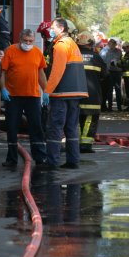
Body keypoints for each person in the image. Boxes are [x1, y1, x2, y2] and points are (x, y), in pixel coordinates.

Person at [0, 29, 49, 167]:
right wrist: (3, 88)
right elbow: (3, 72)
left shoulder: (37, 53)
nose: (28, 43)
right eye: (25, 41)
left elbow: (41, 73)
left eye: (30, 41)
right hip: (13, 96)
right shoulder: (10, 51)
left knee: (36, 126)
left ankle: (40, 157)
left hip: (32, 96)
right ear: (20, 39)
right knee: (12, 127)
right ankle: (12, 158)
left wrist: (46, 91)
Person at [44, 18, 88, 169]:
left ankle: (52, 162)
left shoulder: (61, 46)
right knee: (71, 127)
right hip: (75, 93)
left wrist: (47, 91)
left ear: (61, 28)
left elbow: (57, 71)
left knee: (55, 127)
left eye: (52, 27)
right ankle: (73, 160)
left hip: (61, 93)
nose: (50, 30)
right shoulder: (72, 44)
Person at [76, 31, 107, 153]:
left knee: (76, 119)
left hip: (75, 95)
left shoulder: (72, 55)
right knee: (90, 119)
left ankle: (75, 143)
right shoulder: (97, 57)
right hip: (92, 95)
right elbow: (105, 75)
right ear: (91, 43)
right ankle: (86, 145)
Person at [100, 38, 123, 111]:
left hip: (117, 72)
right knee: (109, 90)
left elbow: (119, 60)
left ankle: (119, 107)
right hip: (109, 73)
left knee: (118, 89)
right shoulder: (104, 51)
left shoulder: (118, 51)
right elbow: (103, 63)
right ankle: (109, 107)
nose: (113, 46)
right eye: (112, 44)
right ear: (109, 44)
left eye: (114, 44)